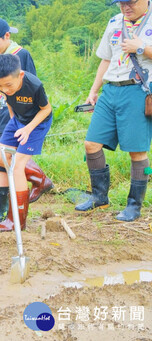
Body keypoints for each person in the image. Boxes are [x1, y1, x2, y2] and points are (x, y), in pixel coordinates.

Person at [0, 18, 53, 225]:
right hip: (0, 113)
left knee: (13, 163)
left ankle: (10, 213)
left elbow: (30, 91)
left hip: (25, 114)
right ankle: (10, 201)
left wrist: (24, 122)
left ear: (7, 36)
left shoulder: (21, 55)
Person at [75, 0, 152, 222]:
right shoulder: (115, 22)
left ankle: (134, 206)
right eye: (121, 3)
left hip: (138, 89)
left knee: (137, 151)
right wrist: (93, 90)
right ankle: (99, 197)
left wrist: (141, 48)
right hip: (111, 89)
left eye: (130, 3)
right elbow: (106, 59)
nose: (125, 7)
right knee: (91, 143)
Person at [0, 54, 53, 232]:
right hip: (18, 120)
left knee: (17, 167)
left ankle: (16, 220)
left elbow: (46, 109)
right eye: (1, 85)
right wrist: (13, 121)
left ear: (21, 76)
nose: (5, 89)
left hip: (37, 122)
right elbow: (9, 101)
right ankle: (41, 180)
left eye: (9, 85)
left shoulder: (34, 85)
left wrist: (28, 129)